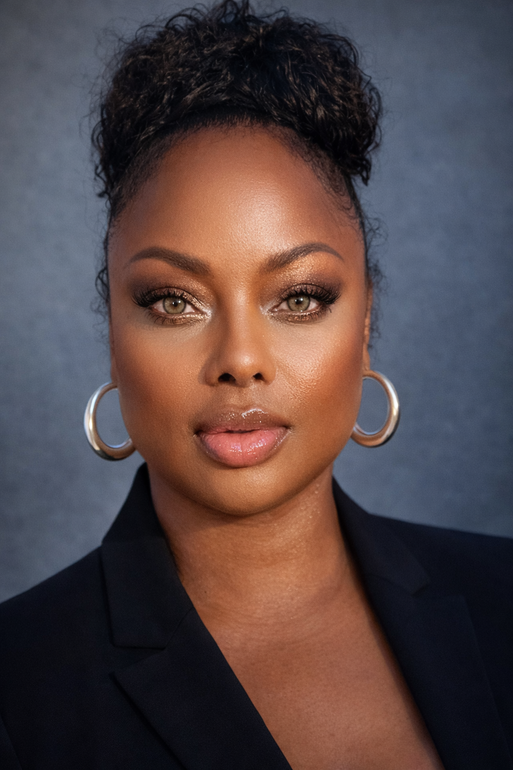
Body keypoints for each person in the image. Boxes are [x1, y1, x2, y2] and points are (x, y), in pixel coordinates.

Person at [0, 1, 511, 768]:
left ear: (364, 323)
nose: (240, 359)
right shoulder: (17, 691)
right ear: (113, 335)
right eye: (172, 301)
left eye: (298, 299)